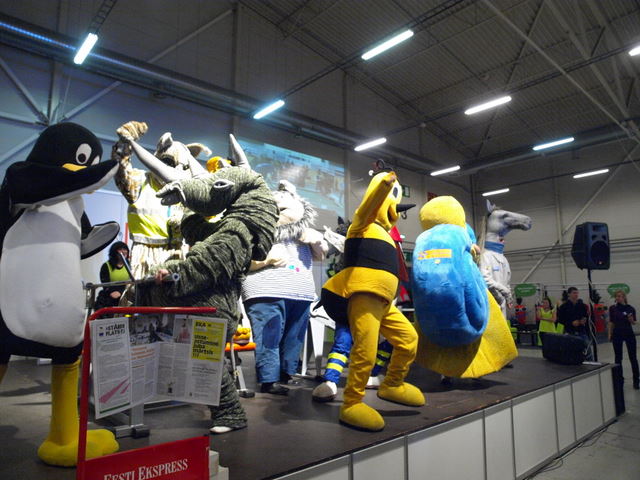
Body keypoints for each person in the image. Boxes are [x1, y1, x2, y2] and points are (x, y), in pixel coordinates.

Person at [608, 290, 638, 389]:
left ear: (624, 297)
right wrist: (609, 333)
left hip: (628, 333)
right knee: (618, 358)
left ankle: (636, 380)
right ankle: (619, 379)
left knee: (633, 357)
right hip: (617, 333)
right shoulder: (613, 308)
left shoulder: (630, 308)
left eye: (620, 296)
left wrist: (631, 320)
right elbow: (611, 322)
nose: (618, 298)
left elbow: (633, 322)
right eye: (616, 296)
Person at [557, 287, 593, 361]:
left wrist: (584, 320)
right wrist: (571, 323)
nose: (576, 295)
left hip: (581, 331)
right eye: (574, 293)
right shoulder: (563, 307)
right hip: (570, 332)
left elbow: (586, 316)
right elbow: (560, 320)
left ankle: (590, 363)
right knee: (570, 351)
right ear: (569, 294)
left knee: (588, 350)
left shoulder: (582, 306)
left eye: (577, 293)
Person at [94, 241, 130, 310]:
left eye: (125, 249)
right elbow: (105, 284)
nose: (123, 251)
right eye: (120, 249)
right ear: (114, 252)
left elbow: (131, 284)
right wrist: (112, 292)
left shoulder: (130, 265)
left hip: (126, 294)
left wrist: (121, 292)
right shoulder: (106, 266)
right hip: (110, 295)